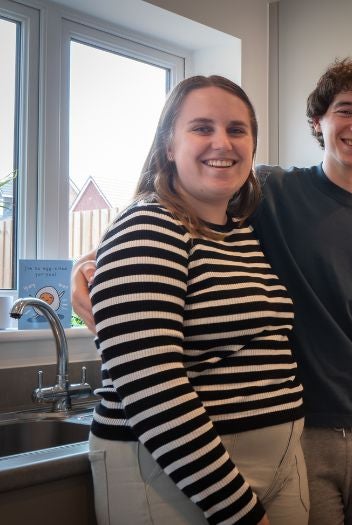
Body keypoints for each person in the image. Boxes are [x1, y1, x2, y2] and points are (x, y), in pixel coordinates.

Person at [73, 58, 352, 525]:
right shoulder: (268, 191)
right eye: (344, 110)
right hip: (295, 441)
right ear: (318, 121)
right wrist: (87, 266)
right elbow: (156, 223)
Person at [83, 75, 307, 525]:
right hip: (179, 476)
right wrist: (238, 510)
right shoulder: (148, 226)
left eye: (236, 129)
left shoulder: (240, 232)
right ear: (168, 145)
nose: (221, 142)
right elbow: (150, 386)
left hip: (279, 465)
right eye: (201, 127)